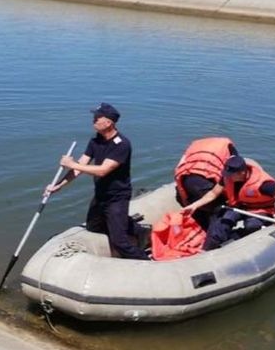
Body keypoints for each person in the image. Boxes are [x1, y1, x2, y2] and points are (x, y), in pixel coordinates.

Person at [46, 102, 149, 260]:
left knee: (119, 241)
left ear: (108, 122)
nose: (93, 120)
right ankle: (136, 229)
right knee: (93, 227)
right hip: (100, 195)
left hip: (117, 197)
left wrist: (71, 163)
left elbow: (103, 170)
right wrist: (58, 186)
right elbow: (79, 167)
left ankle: (145, 261)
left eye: (97, 118)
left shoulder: (122, 145)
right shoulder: (95, 141)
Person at [182, 155, 275, 250]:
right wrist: (194, 205)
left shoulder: (263, 184)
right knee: (222, 224)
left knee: (252, 225)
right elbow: (213, 194)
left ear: (241, 173)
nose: (227, 177)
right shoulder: (228, 177)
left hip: (260, 209)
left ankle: (238, 238)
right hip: (239, 206)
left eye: (230, 175)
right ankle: (207, 250)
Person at [173, 136, 238, 230]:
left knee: (193, 205)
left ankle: (203, 229)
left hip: (185, 180)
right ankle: (215, 235)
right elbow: (233, 170)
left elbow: (178, 168)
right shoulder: (228, 147)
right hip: (203, 180)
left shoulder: (195, 144)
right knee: (219, 206)